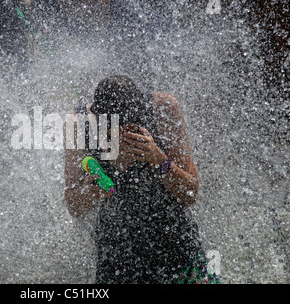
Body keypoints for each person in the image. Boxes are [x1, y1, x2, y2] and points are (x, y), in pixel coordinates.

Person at [64, 75, 218, 283]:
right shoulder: (78, 123)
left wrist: (159, 159)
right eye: (114, 129)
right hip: (117, 254)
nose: (123, 133)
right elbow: (74, 206)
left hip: (176, 244)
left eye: (131, 125)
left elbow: (190, 193)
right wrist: (91, 191)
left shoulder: (163, 109)